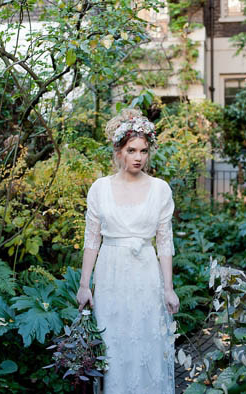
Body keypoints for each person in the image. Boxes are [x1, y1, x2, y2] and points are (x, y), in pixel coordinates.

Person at [76, 107, 180, 394]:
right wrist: (85, 285)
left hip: (146, 275)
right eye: (132, 150)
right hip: (110, 274)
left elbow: (164, 243)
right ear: (119, 151)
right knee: (113, 345)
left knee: (146, 342)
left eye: (143, 151)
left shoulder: (160, 189)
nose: (138, 157)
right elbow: (92, 240)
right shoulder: (99, 188)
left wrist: (168, 288)